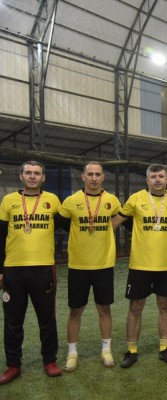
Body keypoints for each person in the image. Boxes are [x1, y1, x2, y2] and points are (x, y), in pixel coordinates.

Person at [112, 164, 167, 368]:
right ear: (147, 180)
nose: (157, 180)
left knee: (165, 306)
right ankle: (132, 350)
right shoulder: (135, 199)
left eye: (161, 176)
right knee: (135, 307)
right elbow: (115, 222)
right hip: (139, 265)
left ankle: (164, 348)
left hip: (165, 265)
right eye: (153, 176)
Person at [0, 161, 62, 384]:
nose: (32, 176)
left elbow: (68, 225)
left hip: (43, 269)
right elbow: (0, 237)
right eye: (28, 173)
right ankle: (13, 365)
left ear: (43, 178)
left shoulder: (52, 200)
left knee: (47, 319)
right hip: (13, 270)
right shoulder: (8, 200)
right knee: (12, 321)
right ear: (21, 176)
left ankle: (50, 361)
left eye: (37, 173)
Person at [58, 161, 122, 372]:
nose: (94, 178)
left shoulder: (112, 200)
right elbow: (63, 223)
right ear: (83, 177)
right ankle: (72, 353)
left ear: (103, 177)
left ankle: (106, 350)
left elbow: (119, 218)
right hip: (79, 265)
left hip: (104, 264)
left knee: (104, 308)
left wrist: (108, 231)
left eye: (98, 174)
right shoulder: (71, 201)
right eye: (90, 174)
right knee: (75, 310)